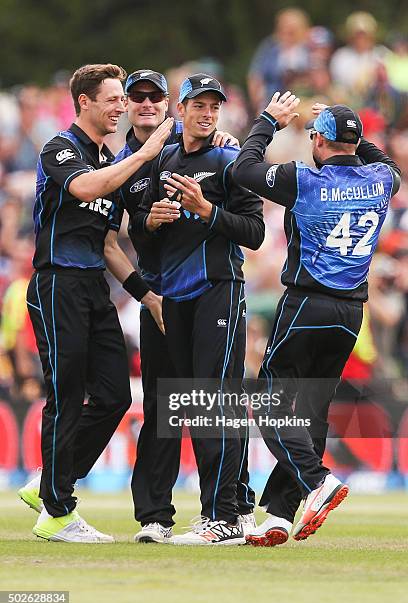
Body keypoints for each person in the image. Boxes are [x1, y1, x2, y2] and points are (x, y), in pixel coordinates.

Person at [233, 93, 401, 545]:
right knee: (310, 412)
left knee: (269, 399)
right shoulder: (382, 179)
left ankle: (316, 481)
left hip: (308, 301)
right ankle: (279, 516)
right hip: (351, 313)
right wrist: (349, 133)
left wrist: (268, 121)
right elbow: (386, 161)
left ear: (319, 140)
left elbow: (242, 169)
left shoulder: (304, 178)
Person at [18, 63, 174, 543]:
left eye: (121, 100)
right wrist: (145, 153)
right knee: (65, 394)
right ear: (83, 102)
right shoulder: (60, 148)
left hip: (93, 288)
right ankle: (58, 511)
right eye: (113, 99)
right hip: (56, 283)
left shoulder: (107, 156)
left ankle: (50, 483)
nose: (121, 107)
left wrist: (147, 296)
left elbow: (109, 245)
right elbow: (87, 187)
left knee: (114, 396)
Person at [106, 68, 250, 544]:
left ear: (168, 104)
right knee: (167, 406)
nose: (146, 102)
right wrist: (152, 219)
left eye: (214, 106)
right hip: (160, 296)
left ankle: (230, 511)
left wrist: (204, 206)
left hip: (210, 288)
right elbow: (136, 226)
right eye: (137, 96)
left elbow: (255, 230)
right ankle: (157, 516)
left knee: (213, 399)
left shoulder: (226, 156)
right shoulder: (136, 159)